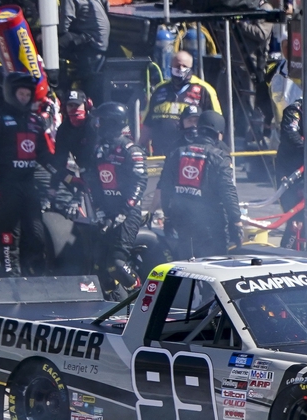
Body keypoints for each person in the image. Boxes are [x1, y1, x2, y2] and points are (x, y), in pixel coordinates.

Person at [0, 71, 55, 275]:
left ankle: (36, 277)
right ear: (11, 93)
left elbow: (46, 156)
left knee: (36, 235)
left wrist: (65, 176)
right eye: (20, 94)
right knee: (8, 235)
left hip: (29, 186)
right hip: (5, 186)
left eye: (27, 94)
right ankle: (9, 275)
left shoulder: (36, 121)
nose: (24, 98)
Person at [84, 102, 147, 298]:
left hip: (128, 213)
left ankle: (142, 299)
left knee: (116, 264)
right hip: (107, 212)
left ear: (111, 123)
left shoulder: (131, 150)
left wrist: (123, 212)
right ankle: (113, 304)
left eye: (100, 121)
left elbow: (140, 183)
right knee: (98, 264)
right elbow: (94, 183)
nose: (97, 125)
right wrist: (100, 210)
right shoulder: (99, 149)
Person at [158, 110, 241, 259]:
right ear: (218, 133)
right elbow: (228, 192)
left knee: (186, 266)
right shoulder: (219, 157)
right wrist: (236, 221)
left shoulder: (177, 152)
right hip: (211, 225)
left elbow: (165, 188)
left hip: (182, 222)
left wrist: (167, 216)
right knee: (213, 268)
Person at [140, 51, 222, 157]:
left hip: (192, 155)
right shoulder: (160, 89)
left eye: (184, 66)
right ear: (171, 67)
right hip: (161, 154)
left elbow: (216, 126)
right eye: (177, 65)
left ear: (191, 67)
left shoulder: (204, 90)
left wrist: (215, 154)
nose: (180, 68)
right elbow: (148, 124)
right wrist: (140, 147)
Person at [59, 0, 110, 103]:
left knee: (51, 44)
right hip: (102, 42)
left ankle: (59, 88)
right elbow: (107, 7)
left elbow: (64, 25)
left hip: (90, 43)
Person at [276, 97, 304, 250]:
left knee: (306, 221)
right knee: (294, 221)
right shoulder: (294, 111)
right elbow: (291, 136)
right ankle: (286, 253)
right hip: (288, 173)